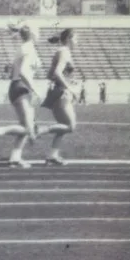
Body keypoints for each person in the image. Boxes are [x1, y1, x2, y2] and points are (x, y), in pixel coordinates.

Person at [0, 24, 41, 168]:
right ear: (33, 34)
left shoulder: (25, 48)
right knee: (28, 129)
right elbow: (23, 72)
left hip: (18, 86)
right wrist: (34, 89)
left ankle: (15, 158)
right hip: (22, 87)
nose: (40, 34)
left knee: (25, 127)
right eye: (38, 31)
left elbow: (16, 70)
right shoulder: (28, 48)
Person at [39, 28, 78, 166]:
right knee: (70, 126)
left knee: (62, 127)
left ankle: (52, 156)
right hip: (61, 92)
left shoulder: (62, 51)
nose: (77, 41)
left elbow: (50, 74)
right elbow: (57, 72)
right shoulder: (64, 51)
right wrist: (70, 88)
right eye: (75, 38)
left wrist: (68, 81)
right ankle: (40, 130)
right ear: (68, 39)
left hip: (59, 91)